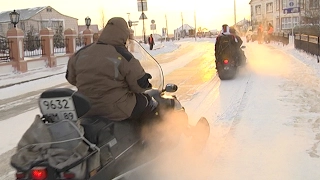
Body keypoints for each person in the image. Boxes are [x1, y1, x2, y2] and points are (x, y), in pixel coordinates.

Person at [66, 17, 157, 127]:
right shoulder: (123, 55)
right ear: (124, 34)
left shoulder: (81, 53)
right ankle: (148, 139)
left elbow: (70, 78)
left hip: (86, 108)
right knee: (147, 102)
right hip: (115, 109)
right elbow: (139, 86)